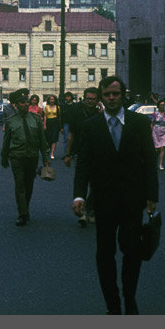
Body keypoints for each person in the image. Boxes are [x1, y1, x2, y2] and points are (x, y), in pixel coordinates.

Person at [72, 76, 158, 315]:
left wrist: (152, 194)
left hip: (133, 200)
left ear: (123, 95)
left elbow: (150, 160)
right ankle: (113, 304)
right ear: (101, 96)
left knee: (132, 251)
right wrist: (78, 196)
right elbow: (84, 166)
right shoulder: (90, 126)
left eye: (116, 94)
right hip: (104, 201)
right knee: (105, 254)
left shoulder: (139, 122)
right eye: (107, 95)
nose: (111, 98)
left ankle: (130, 298)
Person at [1, 88, 51, 226]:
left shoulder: (35, 120)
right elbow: (6, 141)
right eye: (21, 102)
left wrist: (46, 158)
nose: (25, 104)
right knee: (20, 184)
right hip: (17, 157)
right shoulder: (11, 121)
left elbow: (42, 140)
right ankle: (22, 213)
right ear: (16, 105)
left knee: (29, 184)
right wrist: (3, 157)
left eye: (26, 102)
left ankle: (25, 207)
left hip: (32, 156)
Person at [64, 87, 102, 227]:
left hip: (98, 154)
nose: (90, 102)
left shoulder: (101, 114)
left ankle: (90, 209)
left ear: (97, 100)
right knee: (81, 180)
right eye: (88, 99)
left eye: (93, 99)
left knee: (96, 183)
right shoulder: (77, 113)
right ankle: (83, 212)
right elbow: (71, 135)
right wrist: (67, 154)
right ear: (84, 99)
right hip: (80, 152)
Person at [151, 100, 165, 170]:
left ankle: (161, 164)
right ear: (158, 106)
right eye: (161, 105)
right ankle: (154, 162)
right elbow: (152, 123)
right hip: (156, 130)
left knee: (163, 147)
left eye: (164, 105)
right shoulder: (155, 114)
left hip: (164, 130)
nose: (163, 106)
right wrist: (150, 132)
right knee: (156, 149)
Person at [43, 94, 61, 160]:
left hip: (55, 123)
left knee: (54, 138)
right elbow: (45, 116)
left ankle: (52, 153)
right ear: (49, 100)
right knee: (48, 138)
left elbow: (59, 116)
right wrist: (44, 125)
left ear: (55, 100)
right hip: (48, 122)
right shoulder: (46, 106)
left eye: (53, 99)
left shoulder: (58, 107)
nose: (51, 100)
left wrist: (60, 126)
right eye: (50, 99)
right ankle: (48, 150)